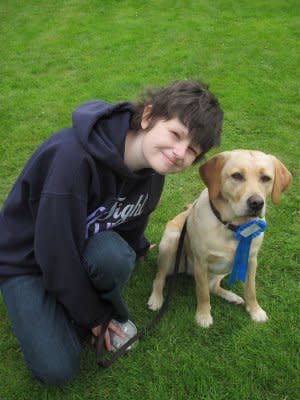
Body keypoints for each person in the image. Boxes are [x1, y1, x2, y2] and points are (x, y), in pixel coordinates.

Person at [0, 80, 223, 385]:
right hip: (25, 259)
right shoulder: (73, 160)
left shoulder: (153, 171)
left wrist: (138, 248)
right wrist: (95, 317)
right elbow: (55, 253)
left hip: (72, 246)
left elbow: (129, 224)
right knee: (57, 370)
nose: (178, 153)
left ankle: (68, 305)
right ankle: (52, 308)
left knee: (117, 256)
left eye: (192, 150)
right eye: (175, 134)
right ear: (147, 117)